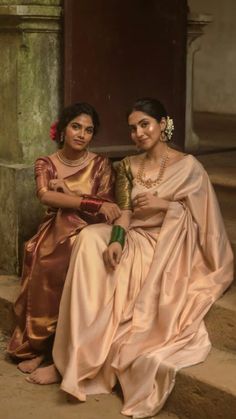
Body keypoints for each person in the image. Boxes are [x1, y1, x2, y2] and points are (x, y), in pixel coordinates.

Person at [30, 98, 233, 417]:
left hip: (169, 244)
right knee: (88, 239)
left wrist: (166, 207)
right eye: (133, 128)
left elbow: (203, 222)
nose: (138, 133)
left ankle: (84, 358)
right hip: (135, 236)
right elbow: (124, 213)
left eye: (145, 124)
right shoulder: (127, 166)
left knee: (118, 272)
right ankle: (69, 359)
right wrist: (116, 240)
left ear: (163, 124)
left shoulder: (189, 167)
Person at [7, 102, 121, 375]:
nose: (82, 134)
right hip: (56, 227)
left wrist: (72, 195)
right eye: (76, 127)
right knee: (42, 254)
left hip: (91, 229)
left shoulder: (101, 165)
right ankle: (41, 348)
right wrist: (83, 201)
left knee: (70, 250)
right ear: (62, 130)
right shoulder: (46, 163)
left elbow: (108, 207)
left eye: (89, 130)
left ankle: (55, 355)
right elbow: (46, 196)